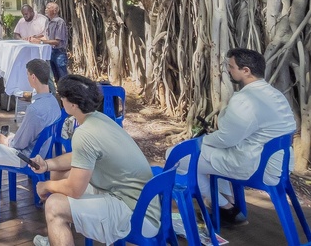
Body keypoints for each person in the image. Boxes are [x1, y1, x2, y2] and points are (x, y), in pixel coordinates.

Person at [31, 75, 158, 246]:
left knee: (54, 206)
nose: (61, 100)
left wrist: (45, 186)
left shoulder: (84, 133)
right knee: (58, 174)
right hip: (141, 201)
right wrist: (47, 165)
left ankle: (58, 226)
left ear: (73, 105)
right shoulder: (100, 119)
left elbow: (75, 190)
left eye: (62, 97)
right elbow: (80, 156)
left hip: (136, 214)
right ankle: (57, 236)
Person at [175, 47, 296, 225]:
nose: (228, 70)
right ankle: (227, 200)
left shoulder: (245, 99)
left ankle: (224, 207)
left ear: (246, 70)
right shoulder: (275, 94)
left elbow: (226, 139)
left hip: (260, 168)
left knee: (179, 156)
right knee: (213, 153)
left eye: (231, 67)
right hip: (281, 165)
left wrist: (199, 141)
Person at [0, 59, 61, 216]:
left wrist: (6, 141)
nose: (27, 78)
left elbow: (18, 144)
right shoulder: (53, 101)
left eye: (27, 75)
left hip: (27, 156)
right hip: (39, 149)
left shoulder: (35, 110)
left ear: (33, 77)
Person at [32, 2, 69, 81]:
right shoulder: (49, 22)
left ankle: (67, 89)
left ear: (55, 11)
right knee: (56, 77)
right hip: (50, 52)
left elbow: (57, 41)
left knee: (63, 77)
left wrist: (41, 42)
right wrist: (35, 38)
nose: (46, 10)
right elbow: (46, 36)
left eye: (48, 8)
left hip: (59, 52)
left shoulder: (60, 22)